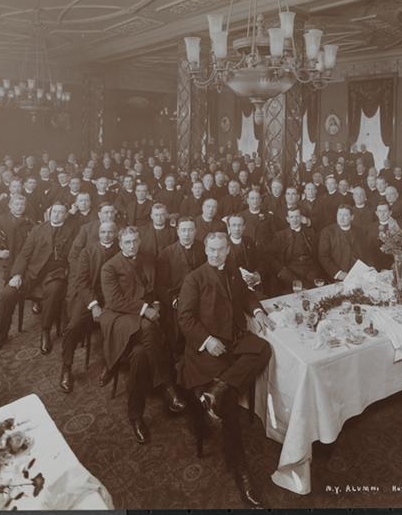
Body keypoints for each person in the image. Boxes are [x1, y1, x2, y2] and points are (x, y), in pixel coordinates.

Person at [177, 232, 274, 507]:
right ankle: (242, 473)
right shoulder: (194, 278)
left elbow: (247, 297)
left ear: (228, 250)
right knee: (230, 406)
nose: (215, 254)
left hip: (233, 340)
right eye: (211, 249)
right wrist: (208, 341)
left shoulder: (232, 271)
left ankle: (219, 388)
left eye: (220, 249)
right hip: (206, 349)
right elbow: (185, 318)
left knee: (263, 348)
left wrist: (258, 312)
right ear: (205, 249)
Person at [99, 226, 186, 443]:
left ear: (139, 241)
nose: (132, 246)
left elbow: (154, 288)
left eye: (135, 241)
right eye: (127, 242)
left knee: (139, 355)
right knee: (148, 328)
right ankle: (166, 385)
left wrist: (155, 303)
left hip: (146, 326)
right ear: (120, 244)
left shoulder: (148, 258)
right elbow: (114, 300)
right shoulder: (109, 267)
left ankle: (135, 416)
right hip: (120, 319)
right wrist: (145, 310)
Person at [0, 201, 76, 356]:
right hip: (32, 272)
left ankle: (45, 331)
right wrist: (17, 274)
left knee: (54, 290)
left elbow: (74, 257)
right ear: (50, 213)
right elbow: (24, 254)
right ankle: (1, 335)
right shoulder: (38, 229)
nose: (56, 215)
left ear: (65, 215)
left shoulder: (72, 231)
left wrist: (69, 274)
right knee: (7, 293)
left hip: (55, 273)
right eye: (54, 211)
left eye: (61, 212)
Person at [60, 221, 120, 393]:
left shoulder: (121, 250)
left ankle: (110, 365)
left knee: (115, 326)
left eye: (110, 232)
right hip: (90, 295)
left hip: (112, 297)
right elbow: (82, 282)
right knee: (73, 326)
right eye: (103, 232)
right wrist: (93, 305)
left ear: (116, 234)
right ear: (98, 233)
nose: (106, 235)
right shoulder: (88, 251)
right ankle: (66, 367)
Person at [156, 217, 207, 359]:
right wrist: (172, 300)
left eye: (190, 230)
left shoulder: (203, 248)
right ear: (178, 231)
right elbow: (159, 285)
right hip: (176, 298)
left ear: (195, 231)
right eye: (183, 230)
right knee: (178, 326)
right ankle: (178, 357)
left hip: (201, 295)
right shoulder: (167, 253)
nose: (187, 234)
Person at [0, 194, 35, 284]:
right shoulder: (0, 221)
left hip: (28, 259)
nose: (19, 207)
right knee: (11, 288)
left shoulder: (29, 220)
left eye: (22, 204)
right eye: (16, 204)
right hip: (11, 260)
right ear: (10, 205)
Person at [268, 207, 323, 294]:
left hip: (310, 270)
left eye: (297, 216)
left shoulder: (310, 233)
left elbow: (319, 254)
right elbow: (269, 255)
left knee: (316, 291)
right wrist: (281, 270)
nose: (295, 220)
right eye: (292, 217)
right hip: (291, 271)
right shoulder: (280, 236)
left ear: (301, 218)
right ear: (287, 219)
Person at [318, 205, 366, 281]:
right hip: (339, 276)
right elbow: (323, 256)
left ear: (352, 217)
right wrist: (338, 273)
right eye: (339, 214)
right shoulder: (327, 232)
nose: (341, 218)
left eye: (345, 215)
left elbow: (366, 253)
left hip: (358, 273)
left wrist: (367, 269)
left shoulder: (359, 231)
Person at [226, 214, 264, 293]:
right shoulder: (223, 244)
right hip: (232, 286)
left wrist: (257, 274)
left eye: (240, 225)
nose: (237, 229)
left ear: (244, 227)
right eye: (234, 225)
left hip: (252, 283)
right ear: (229, 227)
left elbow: (259, 261)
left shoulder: (249, 241)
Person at [365, 202, 401, 271]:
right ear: (376, 213)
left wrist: (396, 263)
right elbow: (368, 250)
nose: (382, 214)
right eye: (380, 211)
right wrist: (373, 266)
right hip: (376, 266)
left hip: (393, 265)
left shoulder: (395, 226)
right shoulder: (370, 227)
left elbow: (400, 248)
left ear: (390, 213)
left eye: (385, 211)